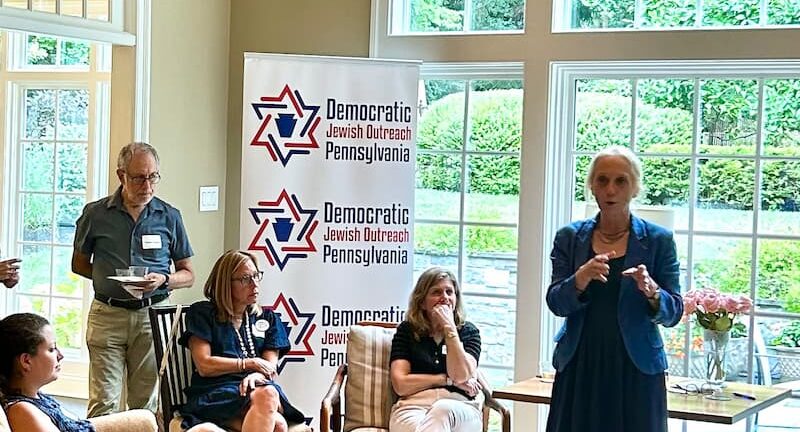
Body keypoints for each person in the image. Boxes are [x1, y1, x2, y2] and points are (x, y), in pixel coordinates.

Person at [545, 146, 683, 432]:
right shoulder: (569, 238)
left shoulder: (658, 240)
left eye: (621, 181)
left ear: (635, 188)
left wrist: (653, 292)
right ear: (592, 186)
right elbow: (556, 302)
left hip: (636, 366)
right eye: (602, 180)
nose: (610, 189)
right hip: (581, 363)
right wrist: (580, 279)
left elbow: (674, 313)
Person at [71, 142, 195, 417]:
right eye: (139, 178)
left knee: (144, 404)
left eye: (153, 177)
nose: (147, 186)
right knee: (104, 402)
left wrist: (163, 280)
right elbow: (78, 264)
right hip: (107, 315)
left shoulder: (169, 216)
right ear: (121, 175)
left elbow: (188, 274)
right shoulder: (95, 214)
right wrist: (110, 280)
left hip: (151, 315)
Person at [178, 250, 306, 432]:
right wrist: (249, 364)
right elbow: (204, 365)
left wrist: (258, 375)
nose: (255, 284)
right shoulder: (203, 314)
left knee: (268, 395)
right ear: (225, 283)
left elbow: (269, 367)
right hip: (216, 392)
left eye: (256, 276)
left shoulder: (268, 318)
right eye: (245, 279)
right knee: (278, 425)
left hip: (256, 389)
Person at [0, 313, 157, 432]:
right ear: (26, 361)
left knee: (146, 419)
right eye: (52, 349)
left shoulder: (36, 398)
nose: (60, 355)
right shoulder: (22, 410)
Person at [388, 267, 483, 432]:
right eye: (436, 292)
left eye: (449, 292)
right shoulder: (407, 331)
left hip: (460, 408)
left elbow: (461, 375)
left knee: (442, 409)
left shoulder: (468, 332)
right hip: (413, 408)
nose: (444, 298)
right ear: (422, 302)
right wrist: (446, 380)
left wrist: (449, 328)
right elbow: (401, 384)